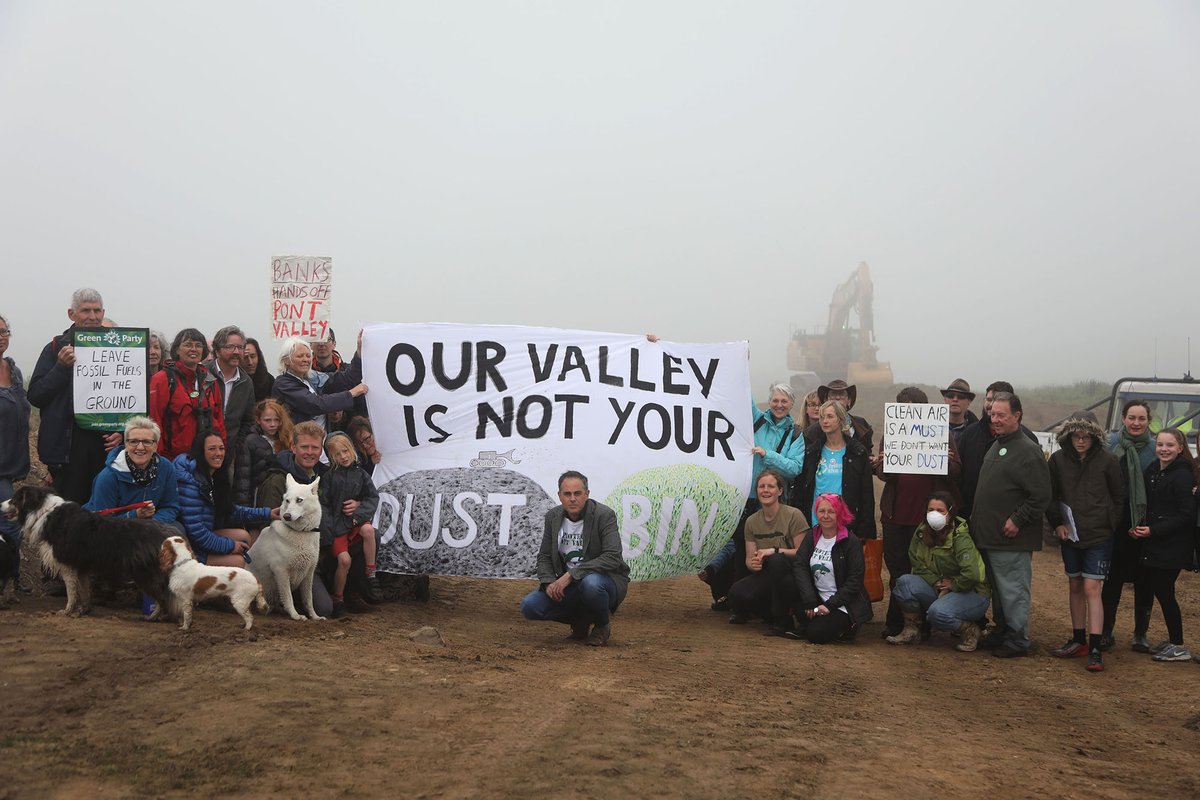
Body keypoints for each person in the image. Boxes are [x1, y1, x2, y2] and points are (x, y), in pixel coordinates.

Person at [698, 383, 805, 611]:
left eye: (784, 401)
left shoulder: (796, 434)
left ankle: (761, 602)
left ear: (792, 404)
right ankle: (737, 599)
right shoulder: (756, 419)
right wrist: (741, 361)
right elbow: (743, 394)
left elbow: (795, 468)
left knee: (768, 549)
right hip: (744, 496)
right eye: (775, 400)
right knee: (739, 545)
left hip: (772, 500)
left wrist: (769, 456)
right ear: (769, 401)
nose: (778, 405)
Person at [872, 386, 961, 637]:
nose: (909, 413)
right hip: (895, 517)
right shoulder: (892, 433)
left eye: (914, 408)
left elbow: (956, 470)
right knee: (897, 571)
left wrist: (946, 459)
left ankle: (926, 622)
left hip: (929, 519)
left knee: (927, 571)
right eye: (905, 408)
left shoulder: (941, 432)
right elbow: (882, 474)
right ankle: (895, 622)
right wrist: (883, 462)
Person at [970, 392, 1051, 658]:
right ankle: (1003, 630)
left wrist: (1017, 519)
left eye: (1001, 415)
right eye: (992, 414)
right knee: (1000, 591)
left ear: (1017, 416)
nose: (995, 420)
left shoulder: (1028, 450)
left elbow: (1041, 496)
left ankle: (1018, 640)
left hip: (1010, 539)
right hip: (990, 537)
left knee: (1014, 590)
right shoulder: (998, 444)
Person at [27, 288, 123, 505]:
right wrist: (61, 367)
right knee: (69, 517)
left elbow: (130, 400)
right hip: (68, 450)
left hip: (106, 448)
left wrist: (122, 432)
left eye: (97, 311)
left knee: (104, 513)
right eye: (86, 310)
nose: (92, 317)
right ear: (72, 314)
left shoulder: (121, 348)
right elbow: (36, 396)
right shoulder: (55, 348)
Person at [1045, 414, 1123, 672]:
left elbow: (1118, 496)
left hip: (1099, 535)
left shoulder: (1108, 461)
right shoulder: (1057, 460)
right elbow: (1051, 495)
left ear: (1094, 437)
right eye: (1076, 436)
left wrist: (1111, 523)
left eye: (1086, 436)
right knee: (1075, 585)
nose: (1080, 441)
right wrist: (1057, 523)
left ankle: (1096, 646)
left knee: (1092, 588)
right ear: (1068, 436)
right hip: (1071, 534)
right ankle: (1078, 639)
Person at [520, 471, 630, 647]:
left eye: (577, 493)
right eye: (567, 494)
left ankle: (602, 625)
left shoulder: (604, 515)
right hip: (569, 585)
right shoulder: (552, 517)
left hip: (604, 581)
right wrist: (549, 583)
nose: (572, 499)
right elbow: (545, 556)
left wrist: (571, 575)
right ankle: (580, 621)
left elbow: (612, 557)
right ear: (559, 496)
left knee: (591, 584)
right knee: (530, 605)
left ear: (587, 494)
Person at [887, 491, 989, 651]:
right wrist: (936, 581)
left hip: (972, 593)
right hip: (940, 587)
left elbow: (973, 574)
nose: (934, 514)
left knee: (937, 614)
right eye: (930, 509)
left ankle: (970, 630)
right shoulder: (921, 533)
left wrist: (953, 585)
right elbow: (916, 562)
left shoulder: (960, 537)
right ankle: (912, 630)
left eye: (940, 510)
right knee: (904, 583)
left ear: (950, 512)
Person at [1134, 429, 1197, 662]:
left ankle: (1179, 645)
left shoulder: (1181, 476)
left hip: (1172, 545)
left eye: (1170, 445)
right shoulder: (1155, 469)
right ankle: (1173, 640)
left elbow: (1186, 515)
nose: (1164, 449)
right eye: (1160, 444)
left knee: (1164, 592)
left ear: (1181, 447)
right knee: (1162, 591)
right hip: (1156, 543)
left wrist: (1154, 530)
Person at [1101, 399, 1157, 652]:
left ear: (1149, 421)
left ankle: (1140, 635)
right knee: (1113, 579)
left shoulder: (1156, 448)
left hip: (1146, 525)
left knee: (1146, 580)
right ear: (1123, 419)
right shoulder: (1109, 445)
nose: (1136, 423)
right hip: (1116, 524)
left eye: (1141, 418)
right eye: (1132, 418)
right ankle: (1105, 630)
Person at [726, 469, 811, 632]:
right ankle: (769, 613)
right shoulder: (751, 521)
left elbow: (802, 553)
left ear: (780, 491)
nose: (765, 490)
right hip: (767, 573)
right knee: (736, 593)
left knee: (776, 560)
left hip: (792, 575)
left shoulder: (794, 515)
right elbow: (749, 559)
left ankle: (782, 619)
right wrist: (754, 564)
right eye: (761, 487)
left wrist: (774, 550)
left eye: (771, 487)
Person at [175, 431, 276, 567]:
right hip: (190, 546)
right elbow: (197, 533)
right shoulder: (190, 483)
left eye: (221, 448)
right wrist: (231, 546)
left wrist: (268, 513)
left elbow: (229, 511)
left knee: (244, 536)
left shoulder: (213, 476)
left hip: (201, 539)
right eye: (212, 449)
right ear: (200, 452)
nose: (218, 453)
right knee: (238, 561)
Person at [789, 493, 872, 643]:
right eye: (821, 511)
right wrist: (810, 600)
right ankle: (814, 621)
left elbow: (855, 580)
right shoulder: (812, 535)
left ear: (839, 514)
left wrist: (829, 605)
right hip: (817, 599)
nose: (825, 516)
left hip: (842, 604)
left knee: (815, 635)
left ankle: (849, 626)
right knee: (787, 584)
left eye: (831, 511)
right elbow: (799, 565)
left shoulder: (850, 541)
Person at [320, 432, 380, 618]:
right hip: (338, 526)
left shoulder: (361, 474)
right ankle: (338, 599)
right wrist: (329, 531)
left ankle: (371, 575)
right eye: (337, 454)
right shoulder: (329, 477)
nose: (343, 457)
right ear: (331, 457)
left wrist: (358, 512)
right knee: (344, 560)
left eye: (345, 451)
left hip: (356, 521)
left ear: (352, 450)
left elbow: (372, 497)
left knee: (369, 530)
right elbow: (324, 505)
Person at [83, 416, 182, 531]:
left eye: (146, 442)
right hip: (113, 531)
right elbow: (102, 522)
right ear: (126, 444)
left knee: (178, 530)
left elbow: (170, 506)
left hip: (151, 525)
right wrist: (135, 516)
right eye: (134, 441)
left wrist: (153, 524)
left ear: (155, 446)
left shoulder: (166, 467)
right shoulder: (108, 477)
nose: (140, 447)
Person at [795, 400, 875, 539]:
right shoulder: (812, 452)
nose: (825, 421)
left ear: (841, 419)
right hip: (816, 522)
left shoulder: (857, 453)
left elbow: (866, 495)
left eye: (830, 416)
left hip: (845, 523)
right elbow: (801, 490)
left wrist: (865, 530)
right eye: (822, 417)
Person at [149, 328, 226, 459]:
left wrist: (221, 450)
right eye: (188, 345)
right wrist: (159, 459)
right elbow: (154, 421)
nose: (194, 349)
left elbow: (219, 420)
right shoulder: (163, 380)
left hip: (206, 459)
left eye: (198, 345)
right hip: (173, 459)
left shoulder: (210, 381)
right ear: (177, 350)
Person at [272, 335, 367, 432]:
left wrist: (359, 352)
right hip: (301, 443)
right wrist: (351, 393)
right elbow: (315, 404)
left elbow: (346, 379)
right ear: (286, 360)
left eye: (308, 356)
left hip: (322, 441)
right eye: (300, 356)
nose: (305, 359)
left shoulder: (312, 379)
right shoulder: (283, 384)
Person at [0, 313, 31, 588]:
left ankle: (11, 580)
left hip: (11, 465)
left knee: (12, 525)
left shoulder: (15, 371)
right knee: (10, 524)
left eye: (3, 331)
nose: (0, 336)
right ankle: (11, 581)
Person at [234, 399, 294, 506]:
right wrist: (243, 507)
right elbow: (243, 476)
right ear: (258, 420)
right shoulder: (250, 441)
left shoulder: (287, 439)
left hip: (286, 493)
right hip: (259, 495)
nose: (272, 424)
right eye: (267, 420)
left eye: (277, 420)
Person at [209, 325, 255, 459]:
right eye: (230, 347)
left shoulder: (246, 382)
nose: (236, 352)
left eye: (240, 347)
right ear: (217, 351)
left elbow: (248, 421)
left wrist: (236, 447)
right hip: (201, 450)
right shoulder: (203, 375)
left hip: (229, 452)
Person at [813, 379, 874, 453]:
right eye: (833, 394)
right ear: (826, 400)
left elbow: (868, 452)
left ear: (849, 400)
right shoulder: (813, 431)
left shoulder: (862, 425)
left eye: (842, 394)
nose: (838, 397)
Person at [940, 378, 978, 446]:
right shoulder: (931, 426)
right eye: (950, 396)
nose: (955, 399)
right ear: (945, 399)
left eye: (961, 397)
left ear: (969, 401)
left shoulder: (977, 433)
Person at [243, 338, 275, 403]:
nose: (250, 362)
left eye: (253, 356)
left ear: (258, 357)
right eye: (245, 358)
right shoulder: (234, 381)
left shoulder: (269, 380)